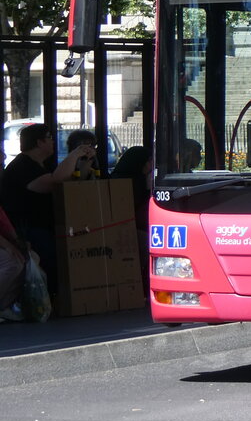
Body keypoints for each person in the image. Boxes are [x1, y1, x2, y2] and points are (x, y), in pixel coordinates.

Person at [0, 123, 95, 296]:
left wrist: (84, 165)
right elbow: (55, 182)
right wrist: (74, 154)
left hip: (43, 225)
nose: (53, 142)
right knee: (51, 259)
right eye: (50, 137)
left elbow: (67, 183)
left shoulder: (41, 164)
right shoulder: (22, 166)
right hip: (27, 230)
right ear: (39, 142)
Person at [110, 146, 152, 292]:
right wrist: (148, 189)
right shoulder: (125, 181)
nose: (152, 166)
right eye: (149, 162)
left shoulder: (137, 178)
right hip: (126, 228)